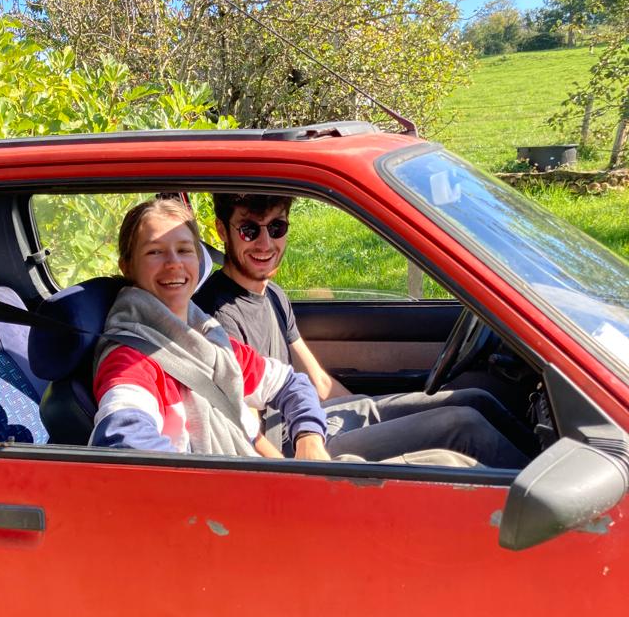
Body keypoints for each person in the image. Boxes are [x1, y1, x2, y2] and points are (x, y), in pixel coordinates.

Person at [193, 192, 534, 467]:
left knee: (475, 399)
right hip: (292, 446)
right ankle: (550, 511)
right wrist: (295, 475)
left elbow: (320, 382)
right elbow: (247, 430)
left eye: (277, 227)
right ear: (222, 230)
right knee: (464, 426)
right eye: (249, 230)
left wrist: (370, 412)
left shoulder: (273, 296)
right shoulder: (218, 316)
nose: (266, 243)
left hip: (313, 418)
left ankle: (540, 460)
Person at [90, 198, 331, 460]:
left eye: (184, 250)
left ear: (198, 260)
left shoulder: (207, 338)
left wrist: (309, 438)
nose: (174, 263)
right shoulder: (130, 358)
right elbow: (124, 437)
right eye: (155, 252)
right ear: (127, 266)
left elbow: (290, 383)